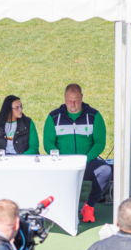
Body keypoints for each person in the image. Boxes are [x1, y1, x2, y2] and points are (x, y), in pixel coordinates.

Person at [44, 83, 109, 224]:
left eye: (76, 100)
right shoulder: (53, 117)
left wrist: (85, 159)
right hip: (62, 164)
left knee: (105, 170)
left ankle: (89, 206)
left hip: (86, 162)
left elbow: (100, 143)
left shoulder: (94, 116)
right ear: (64, 98)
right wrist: (61, 159)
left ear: (82, 98)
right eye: (69, 100)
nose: (72, 104)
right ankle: (56, 207)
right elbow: (48, 143)